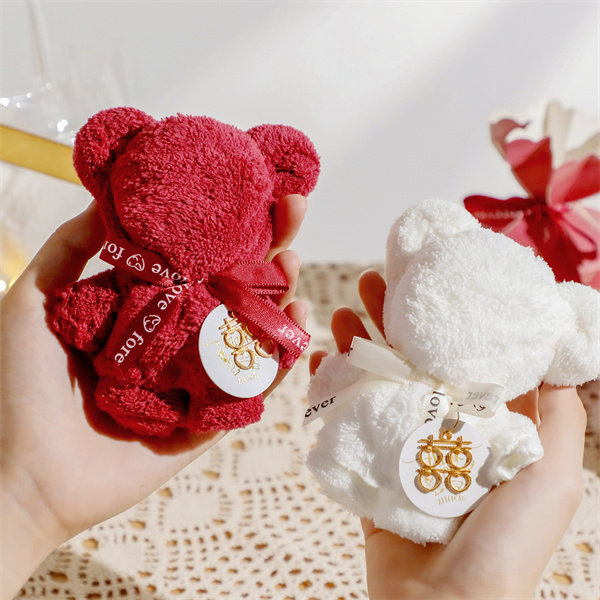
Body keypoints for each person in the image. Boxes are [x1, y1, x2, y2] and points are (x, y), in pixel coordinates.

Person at [1, 200, 586, 599]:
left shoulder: (472, 408)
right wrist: (24, 495)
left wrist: (23, 497)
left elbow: (510, 446)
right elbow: (338, 385)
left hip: (441, 495)